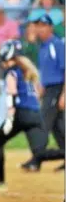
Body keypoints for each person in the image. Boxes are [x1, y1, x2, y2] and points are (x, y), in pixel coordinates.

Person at [0, 40, 49, 192]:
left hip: (20, 114)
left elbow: (11, 96)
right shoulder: (27, 70)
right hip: (35, 114)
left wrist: (9, 119)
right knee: (39, 153)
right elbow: (37, 94)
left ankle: (1, 182)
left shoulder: (12, 72)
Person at [33, 14, 65, 171]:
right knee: (58, 127)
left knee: (43, 123)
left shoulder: (57, 45)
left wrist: (64, 94)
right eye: (38, 26)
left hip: (57, 88)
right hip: (48, 90)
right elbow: (44, 73)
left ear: (51, 27)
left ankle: (36, 159)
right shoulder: (43, 47)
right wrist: (40, 90)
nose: (40, 29)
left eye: (43, 25)